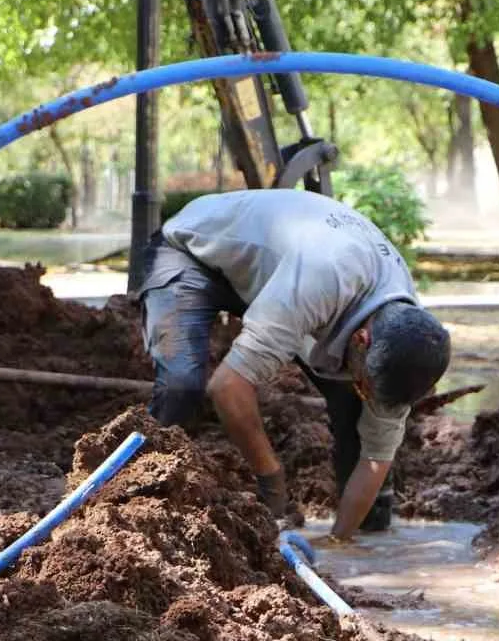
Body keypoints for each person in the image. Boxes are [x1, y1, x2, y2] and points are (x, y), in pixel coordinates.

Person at [134, 189, 451, 542]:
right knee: (182, 385)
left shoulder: (406, 333)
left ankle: (367, 528)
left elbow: (376, 455)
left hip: (278, 272)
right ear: (362, 339)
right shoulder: (321, 281)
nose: (367, 389)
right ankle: (135, 500)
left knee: (355, 403)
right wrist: (271, 479)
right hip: (191, 252)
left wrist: (338, 544)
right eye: (367, 380)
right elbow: (227, 387)